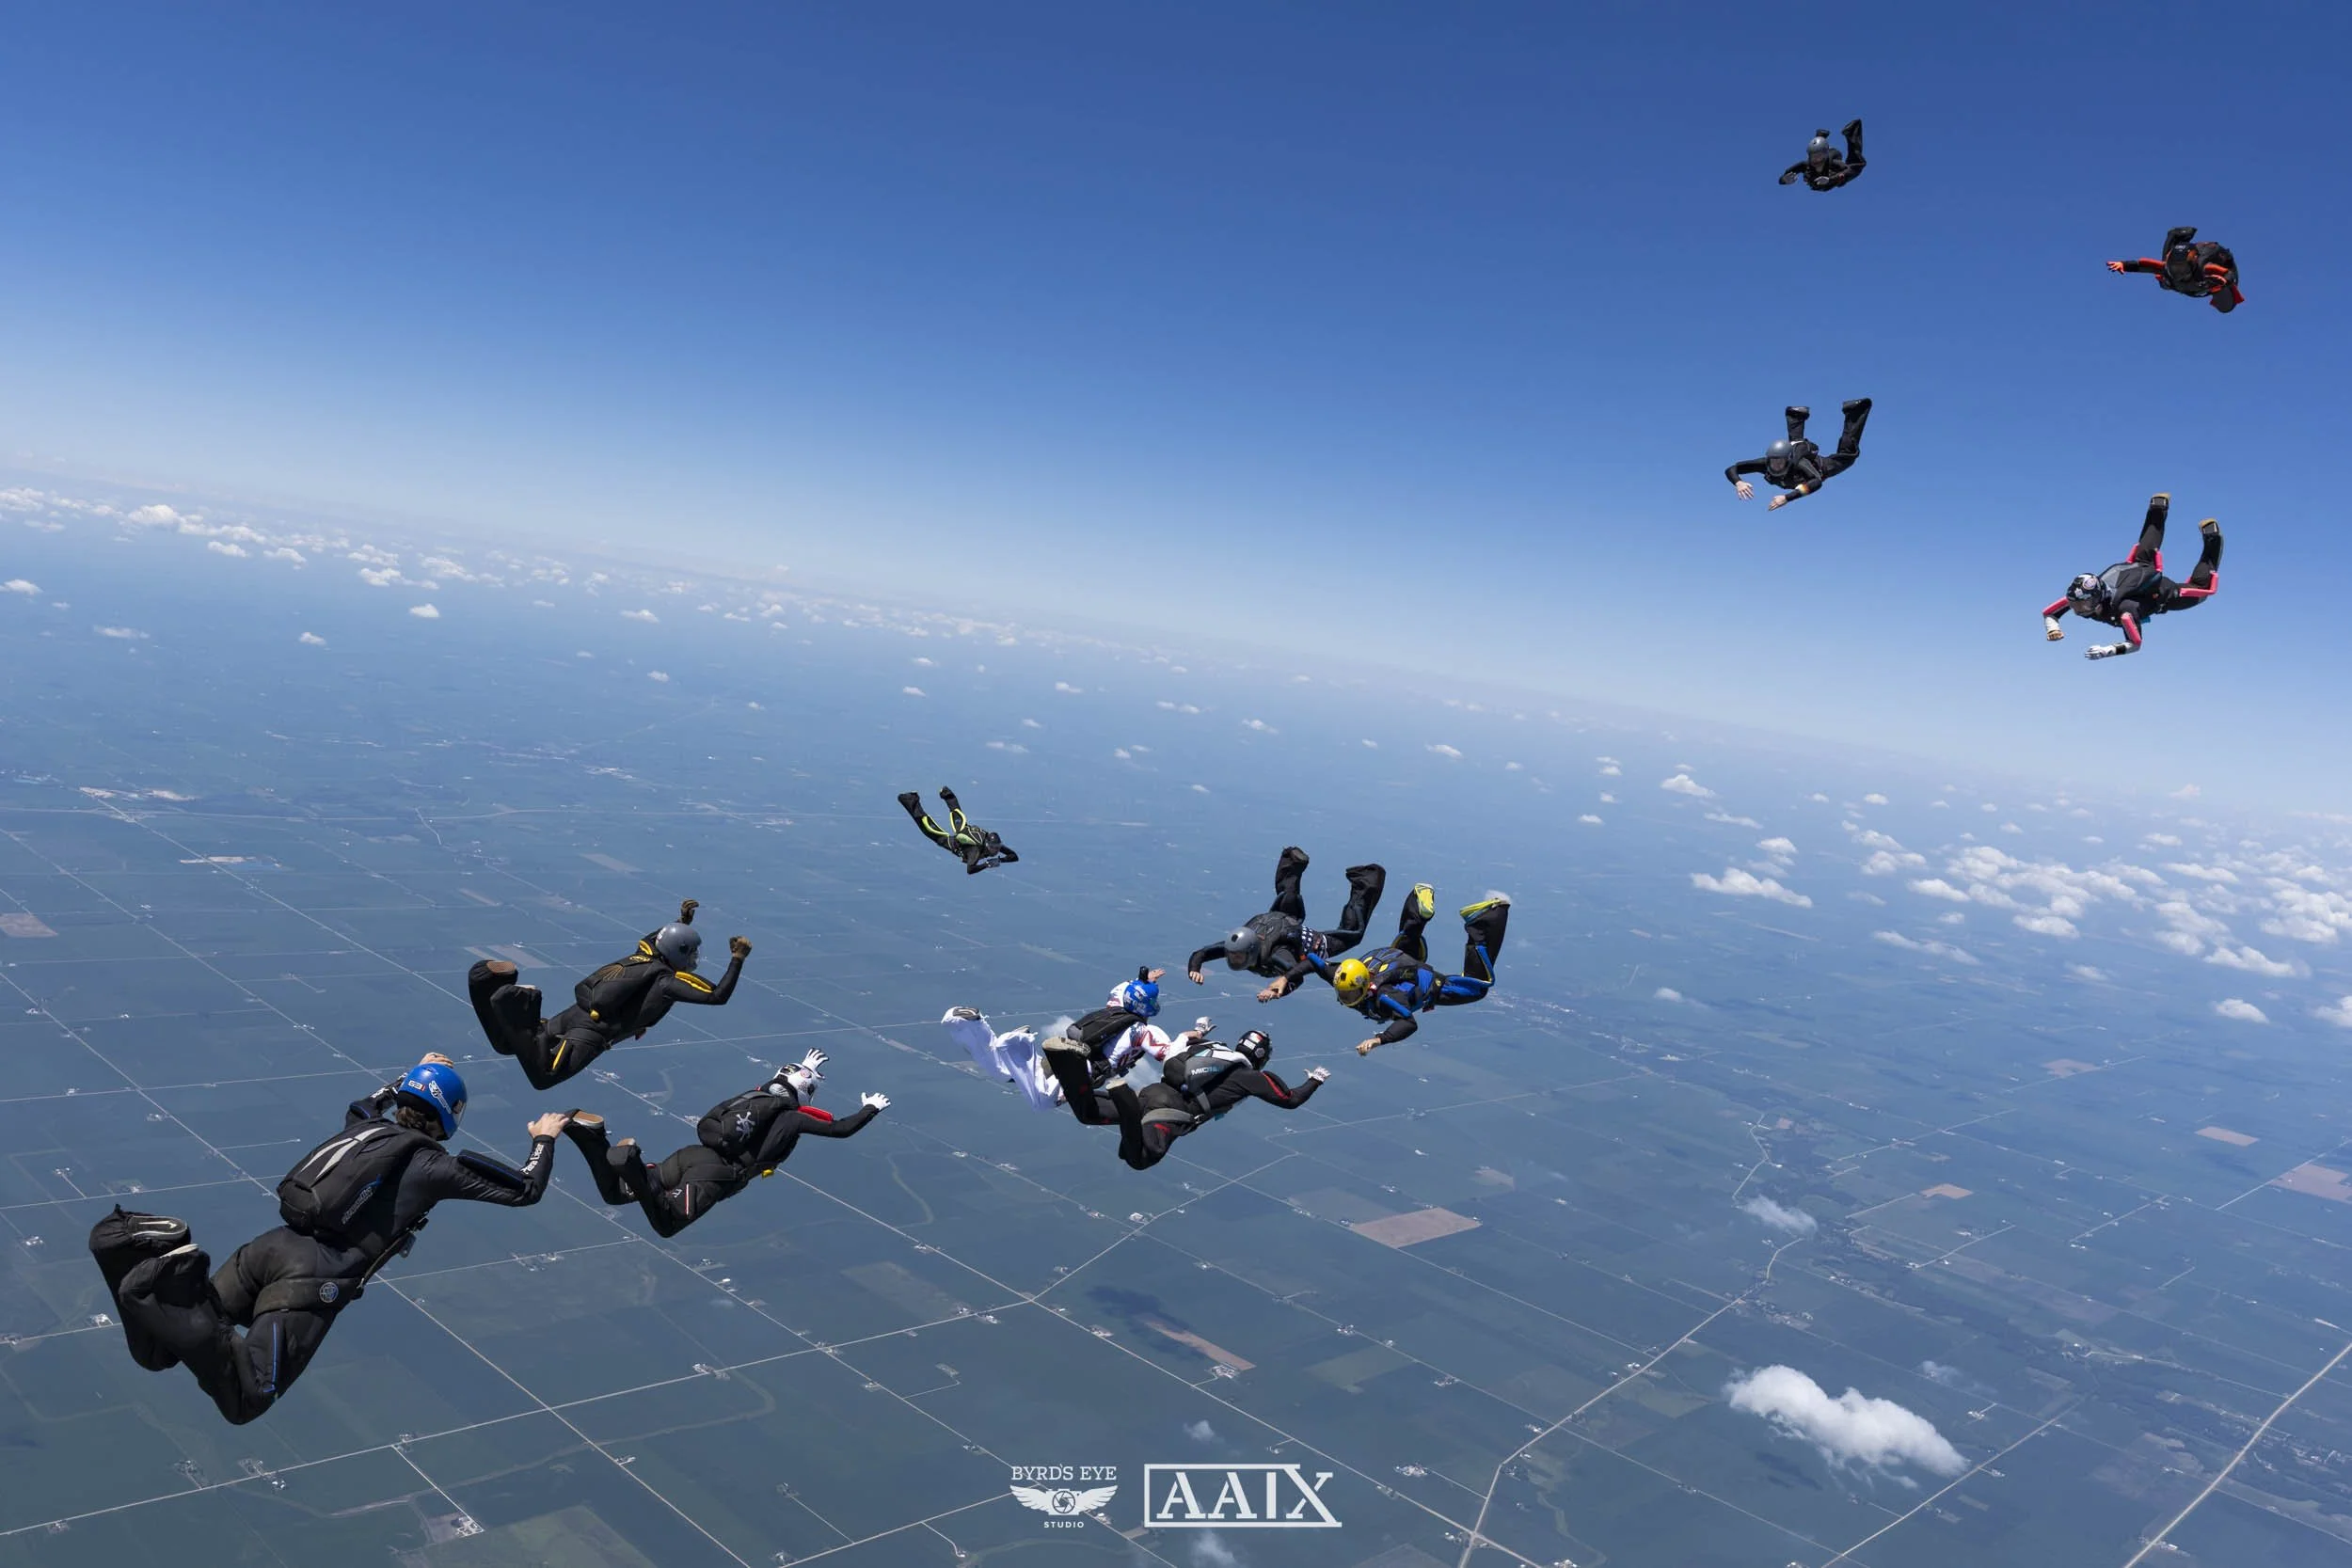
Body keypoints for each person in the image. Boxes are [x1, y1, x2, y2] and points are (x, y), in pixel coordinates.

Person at [87, 1057, 564, 1425]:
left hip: (267, 1247)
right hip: (314, 1275)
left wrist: (412, 1073)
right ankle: (178, 1275)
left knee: (158, 1353)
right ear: (449, 1116)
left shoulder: (363, 1127)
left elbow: (369, 1101)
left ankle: (130, 1251)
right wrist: (545, 1137)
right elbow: (525, 1189)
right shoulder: (432, 1166)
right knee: (246, 1397)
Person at [560, 1052, 886, 1237]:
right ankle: (630, 1160)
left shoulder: (756, 1097)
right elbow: (842, 1130)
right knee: (667, 1223)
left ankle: (591, 1136)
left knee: (617, 1193)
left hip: (692, 1155)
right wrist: (871, 1108)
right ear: (805, 1095)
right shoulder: (793, 1119)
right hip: (716, 1174)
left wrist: (806, 1069)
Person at [467, 898, 750, 1090]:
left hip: (575, 1013)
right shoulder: (668, 982)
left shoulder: (644, 953)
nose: (696, 958)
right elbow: (716, 995)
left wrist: (682, 922)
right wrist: (738, 958)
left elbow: (662, 937)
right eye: (693, 952)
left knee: (508, 1045)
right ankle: (521, 1003)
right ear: (681, 953)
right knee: (544, 1076)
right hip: (591, 1034)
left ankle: (485, 982)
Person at [1039, 1028, 1329, 1169]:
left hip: (1154, 1092)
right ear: (1261, 1058)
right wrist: (1315, 1079)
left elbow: (1180, 1050)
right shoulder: (1249, 1075)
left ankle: (1068, 1064)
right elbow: (1290, 1099)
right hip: (1170, 1111)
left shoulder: (1213, 1050)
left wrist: (1199, 1030)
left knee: (1088, 1112)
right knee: (1140, 1158)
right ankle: (1121, 1094)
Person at [1304, 895, 1511, 1055]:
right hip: (1398, 963)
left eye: (1349, 994)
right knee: (1409, 950)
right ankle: (1418, 905)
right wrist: (1286, 976)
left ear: (1365, 984)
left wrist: (1379, 1040)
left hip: (1429, 984)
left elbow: (1409, 1022)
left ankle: (1483, 921)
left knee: (1477, 989)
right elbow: (1317, 964)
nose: (1346, 998)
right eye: (1344, 994)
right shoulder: (1344, 979)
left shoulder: (1385, 996)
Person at [1185, 848, 1388, 1003]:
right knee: (1287, 899)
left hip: (1310, 941)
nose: (1233, 958)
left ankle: (1367, 879)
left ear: (1252, 949)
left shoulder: (1277, 954)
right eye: (1232, 955)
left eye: (1237, 956)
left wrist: (1276, 991)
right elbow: (1202, 953)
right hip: (1280, 922)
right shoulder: (1239, 944)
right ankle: (1292, 860)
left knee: (1353, 933)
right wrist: (1195, 968)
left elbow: (1298, 975)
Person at [2042, 493, 2221, 660]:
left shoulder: (2125, 611)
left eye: (2082, 605)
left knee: (2202, 589)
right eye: (2074, 604)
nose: (2077, 609)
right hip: (2139, 568)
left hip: (2166, 595)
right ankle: (2157, 508)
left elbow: (2135, 643)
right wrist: (2053, 628)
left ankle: (2213, 539)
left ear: (2098, 597)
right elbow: (2049, 613)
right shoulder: (2081, 596)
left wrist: (2107, 651)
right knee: (2145, 549)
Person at [939, 1006, 1209, 1112]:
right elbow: (1168, 1055)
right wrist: (1191, 1036)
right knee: (1042, 1102)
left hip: (1072, 1059)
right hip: (1081, 1068)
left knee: (1004, 1073)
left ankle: (972, 1023)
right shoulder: (1145, 1031)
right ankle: (1014, 1044)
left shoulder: (1119, 1016)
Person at [1727, 401, 1872, 509]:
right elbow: (1732, 468)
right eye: (1773, 461)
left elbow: (1816, 482)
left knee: (1848, 456)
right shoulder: (1764, 464)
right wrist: (1738, 482)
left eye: (1780, 462)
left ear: (1787, 460)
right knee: (1796, 444)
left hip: (1821, 467)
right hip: (1796, 453)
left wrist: (1787, 498)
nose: (1776, 466)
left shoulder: (1800, 464)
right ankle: (1796, 415)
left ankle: (1855, 412)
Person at [2107, 227, 2243, 314]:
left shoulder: (2205, 268)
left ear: (2192, 264)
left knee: (2225, 308)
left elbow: (2228, 273)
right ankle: (2174, 236)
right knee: (2164, 281)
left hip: (2216, 276)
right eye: (2175, 268)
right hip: (2187, 280)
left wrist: (2225, 282)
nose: (2179, 272)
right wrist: (2123, 265)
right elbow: (2143, 264)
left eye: (2182, 268)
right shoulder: (2167, 267)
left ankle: (2216, 287)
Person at [898, 786, 1019, 873]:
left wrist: (1000, 860)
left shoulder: (994, 845)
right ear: (987, 844)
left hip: (964, 830)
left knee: (956, 812)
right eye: (994, 848)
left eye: (997, 847)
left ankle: (946, 792)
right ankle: (909, 800)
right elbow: (970, 870)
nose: (996, 850)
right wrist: (986, 865)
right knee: (927, 828)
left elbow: (1014, 856)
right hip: (953, 843)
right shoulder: (975, 851)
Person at [1778, 119, 1865, 191]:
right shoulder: (1805, 165)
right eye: (1814, 157)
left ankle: (1852, 131)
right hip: (1818, 181)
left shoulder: (1834, 163)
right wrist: (1784, 180)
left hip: (1833, 161)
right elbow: (1784, 176)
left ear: (1825, 155)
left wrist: (1831, 180)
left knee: (1857, 164)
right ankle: (1821, 136)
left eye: (1820, 157)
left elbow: (1852, 170)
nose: (1817, 160)